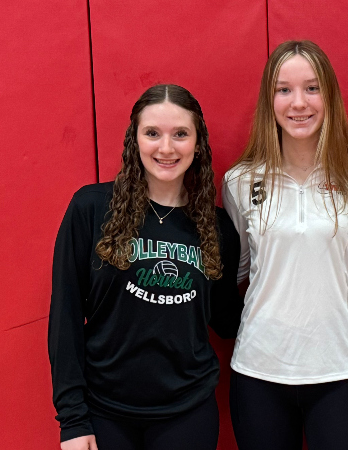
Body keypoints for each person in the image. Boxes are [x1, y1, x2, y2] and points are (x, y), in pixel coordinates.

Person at [221, 40, 348, 450]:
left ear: (329, 96)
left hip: (338, 369)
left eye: (312, 88)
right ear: (269, 101)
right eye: (284, 89)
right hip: (258, 370)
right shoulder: (241, 181)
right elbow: (239, 271)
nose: (298, 102)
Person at [48, 84, 241, 450]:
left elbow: (227, 319)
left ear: (198, 143)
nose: (166, 148)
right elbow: (65, 318)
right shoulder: (91, 209)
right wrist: (72, 419)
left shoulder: (216, 228)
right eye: (152, 133)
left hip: (188, 412)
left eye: (180, 134)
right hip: (105, 412)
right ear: (134, 140)